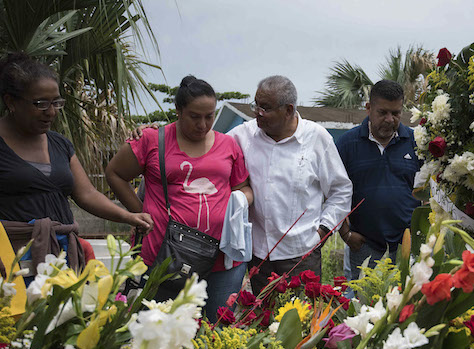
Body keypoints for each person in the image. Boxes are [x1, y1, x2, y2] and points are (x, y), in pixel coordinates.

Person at [106, 75, 253, 322]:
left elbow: (244, 188)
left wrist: (238, 202)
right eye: (195, 116)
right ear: (178, 111)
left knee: (216, 332)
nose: (203, 124)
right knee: (156, 328)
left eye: (210, 116)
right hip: (164, 255)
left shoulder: (228, 145)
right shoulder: (153, 140)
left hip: (220, 259)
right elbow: (115, 173)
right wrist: (139, 214)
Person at [0, 52, 153, 277]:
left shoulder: (60, 144)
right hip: (9, 260)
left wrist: (128, 216)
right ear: (11, 101)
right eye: (40, 104)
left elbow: (87, 194)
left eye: (56, 103)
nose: (51, 112)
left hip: (59, 258)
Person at [227, 76, 352, 294]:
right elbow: (210, 149)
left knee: (301, 323)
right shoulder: (242, 136)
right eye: (256, 105)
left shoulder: (316, 138)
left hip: (302, 257)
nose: (258, 112)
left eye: (265, 107)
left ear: (288, 110)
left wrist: (322, 232)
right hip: (258, 257)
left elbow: (341, 190)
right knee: (262, 323)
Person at [335, 80, 421, 280]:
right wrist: (346, 233)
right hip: (364, 246)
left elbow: (431, 190)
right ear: (368, 108)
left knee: (405, 305)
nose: (390, 119)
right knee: (364, 306)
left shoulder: (417, 143)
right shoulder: (347, 144)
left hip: (407, 246)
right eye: (382, 112)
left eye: (396, 113)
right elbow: (332, 192)